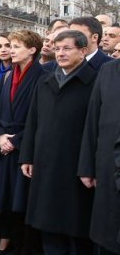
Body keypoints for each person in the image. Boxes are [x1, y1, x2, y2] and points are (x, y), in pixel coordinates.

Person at [19, 30, 95, 255]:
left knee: (75, 227)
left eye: (67, 48)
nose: (60, 53)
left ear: (82, 51)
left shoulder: (95, 81)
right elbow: (32, 121)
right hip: (45, 163)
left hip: (76, 165)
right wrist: (27, 156)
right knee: (48, 225)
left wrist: (89, 167)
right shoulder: (45, 81)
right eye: (57, 48)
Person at [0, 30, 46, 254]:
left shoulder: (44, 76)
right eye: (9, 45)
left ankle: (23, 244)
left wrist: (16, 141)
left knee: (23, 201)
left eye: (16, 46)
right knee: (3, 198)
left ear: (32, 50)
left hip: (24, 148)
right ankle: (5, 236)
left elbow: (42, 117)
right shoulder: (7, 76)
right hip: (2, 145)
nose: (10, 50)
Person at [78, 55, 120, 255]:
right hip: (107, 167)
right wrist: (87, 167)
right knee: (106, 233)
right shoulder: (109, 70)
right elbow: (92, 120)